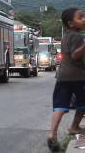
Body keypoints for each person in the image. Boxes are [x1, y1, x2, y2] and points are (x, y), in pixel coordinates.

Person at [47, 8, 85, 151]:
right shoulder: (77, 37)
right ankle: (74, 127)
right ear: (71, 24)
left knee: (60, 106)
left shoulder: (65, 36)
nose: (84, 19)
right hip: (78, 77)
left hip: (62, 77)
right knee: (83, 103)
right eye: (80, 17)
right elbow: (75, 56)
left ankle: (52, 133)